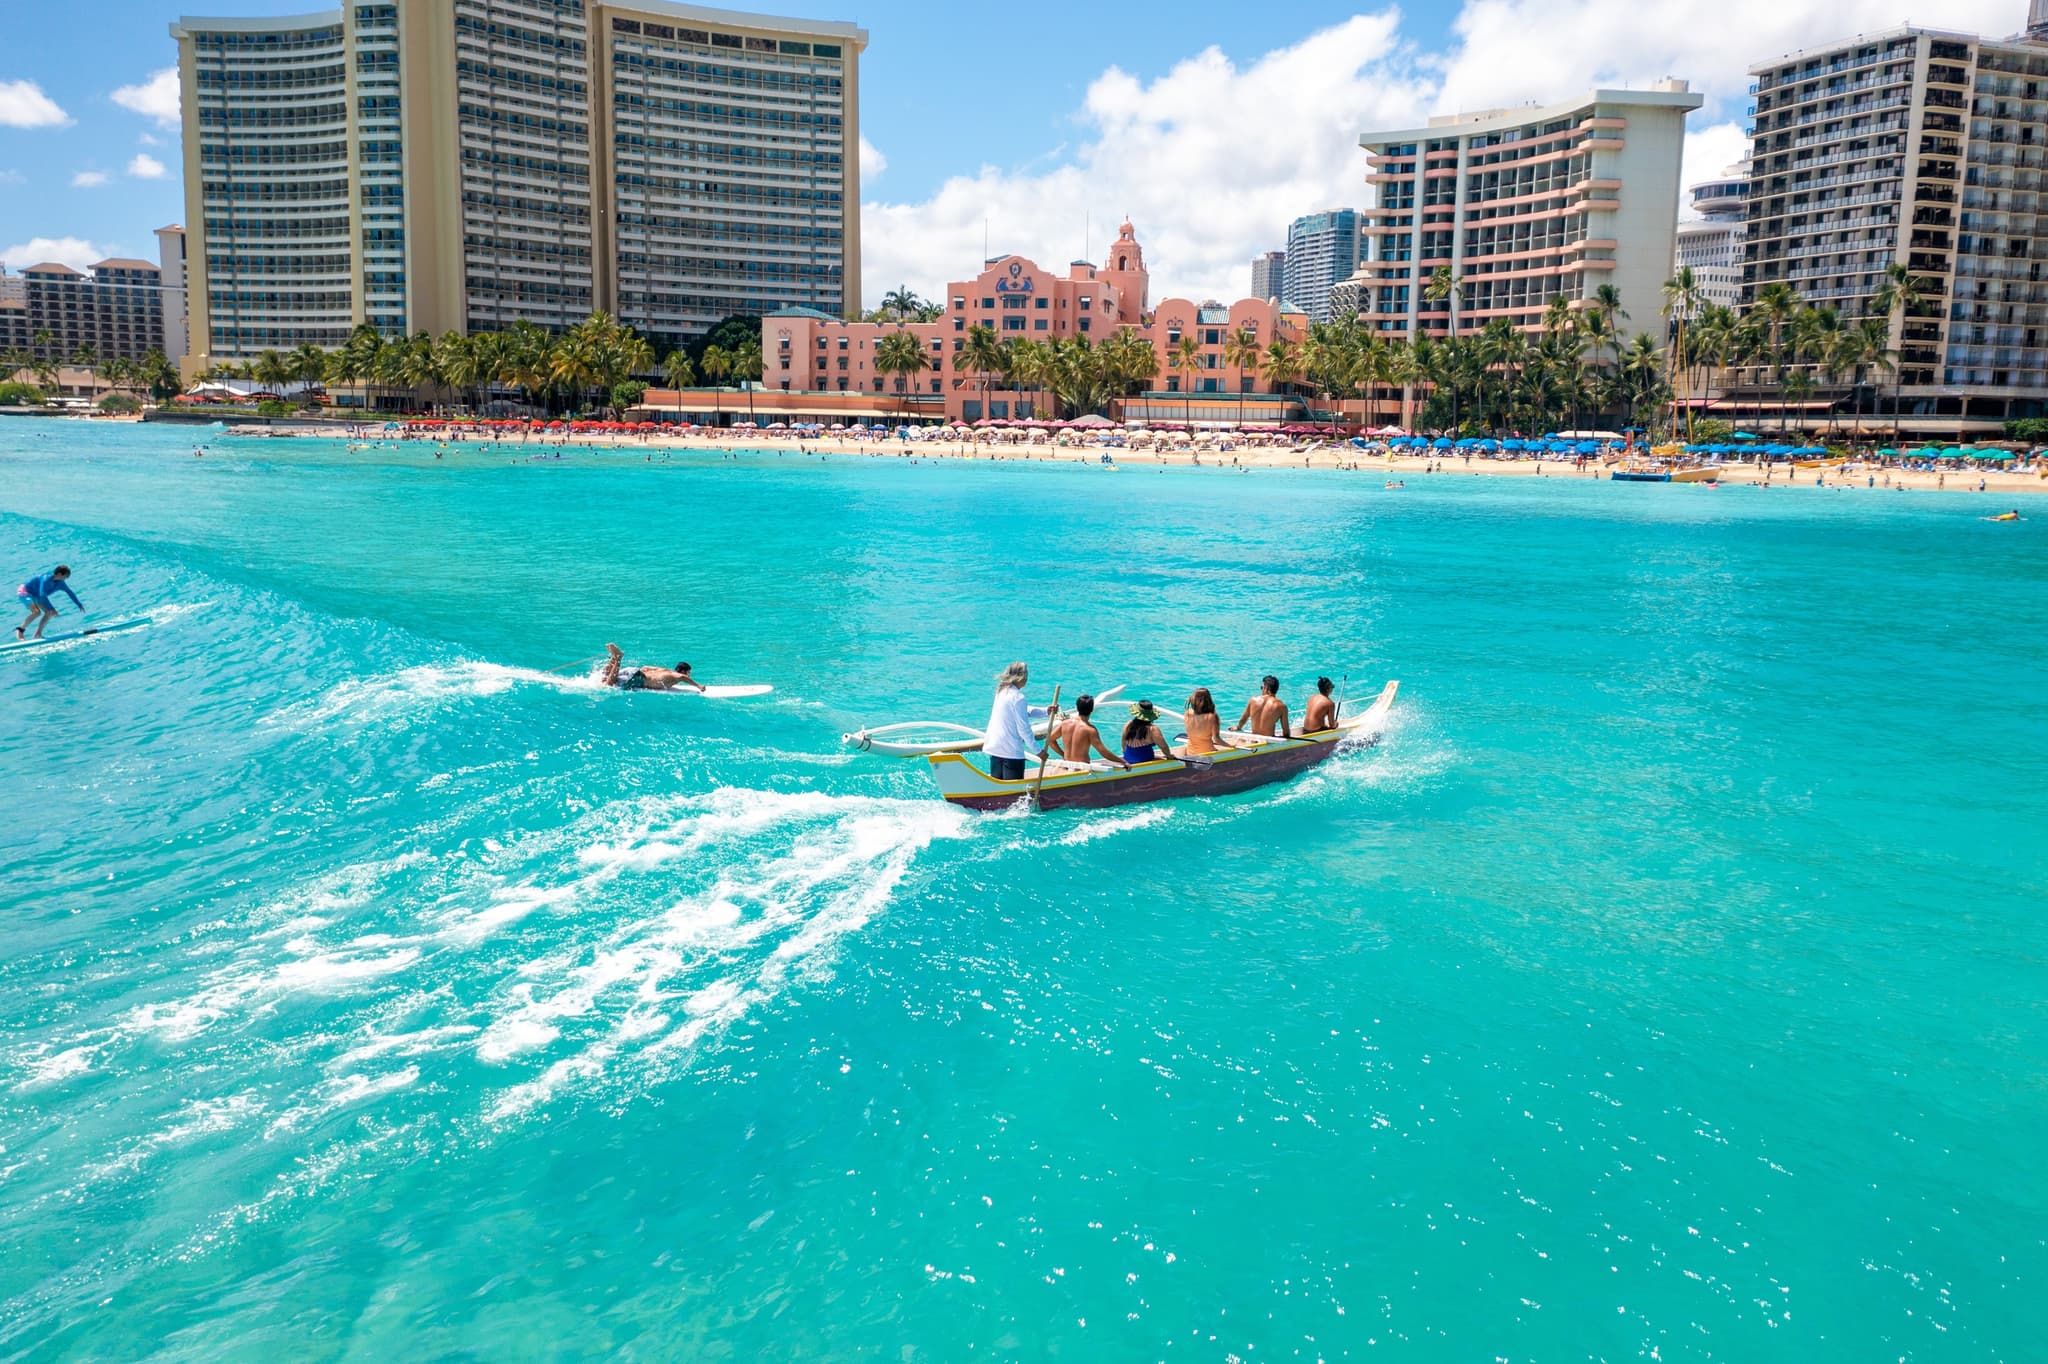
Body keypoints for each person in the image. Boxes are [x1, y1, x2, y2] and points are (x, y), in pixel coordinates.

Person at [981, 661, 1048, 781]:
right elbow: (1024, 729)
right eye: (1026, 674)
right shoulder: (1018, 697)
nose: (1027, 678)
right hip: (1011, 752)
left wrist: (1046, 711)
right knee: (1015, 796)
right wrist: (1038, 751)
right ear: (1020, 677)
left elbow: (1022, 710)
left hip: (995, 748)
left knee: (1000, 790)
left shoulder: (1001, 692)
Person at [1049, 694, 1129, 770]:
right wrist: (1123, 761)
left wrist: (1063, 754)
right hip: (1082, 768)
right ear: (1091, 710)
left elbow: (1050, 740)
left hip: (1066, 765)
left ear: (1077, 708)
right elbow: (1103, 752)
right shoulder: (1090, 730)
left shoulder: (1065, 723)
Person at [599, 642, 705, 692]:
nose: (689, 675)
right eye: (689, 672)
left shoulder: (663, 670)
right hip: (638, 678)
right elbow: (682, 677)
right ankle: (618, 658)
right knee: (609, 684)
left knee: (604, 678)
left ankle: (613, 658)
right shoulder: (675, 676)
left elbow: (645, 667)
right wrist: (698, 686)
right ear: (684, 671)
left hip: (634, 671)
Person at [15, 564, 81, 641]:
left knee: (49, 612)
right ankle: (20, 630)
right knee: (36, 612)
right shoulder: (46, 579)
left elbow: (69, 592)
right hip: (25, 591)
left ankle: (37, 634)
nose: (66, 578)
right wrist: (52, 608)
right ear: (59, 574)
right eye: (66, 576)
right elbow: (42, 595)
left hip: (36, 594)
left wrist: (78, 604)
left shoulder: (60, 583)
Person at [1182, 688, 1236, 756]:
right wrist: (1232, 746)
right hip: (1207, 753)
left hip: (1190, 752)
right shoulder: (1212, 717)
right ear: (1209, 700)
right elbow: (1217, 740)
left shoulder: (1187, 713)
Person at [1120, 701, 1175, 765]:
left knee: (1159, 756)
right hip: (1145, 759)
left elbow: (1123, 742)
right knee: (1164, 758)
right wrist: (1169, 756)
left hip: (1127, 758)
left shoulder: (1128, 724)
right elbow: (1163, 747)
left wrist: (1126, 754)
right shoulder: (1152, 729)